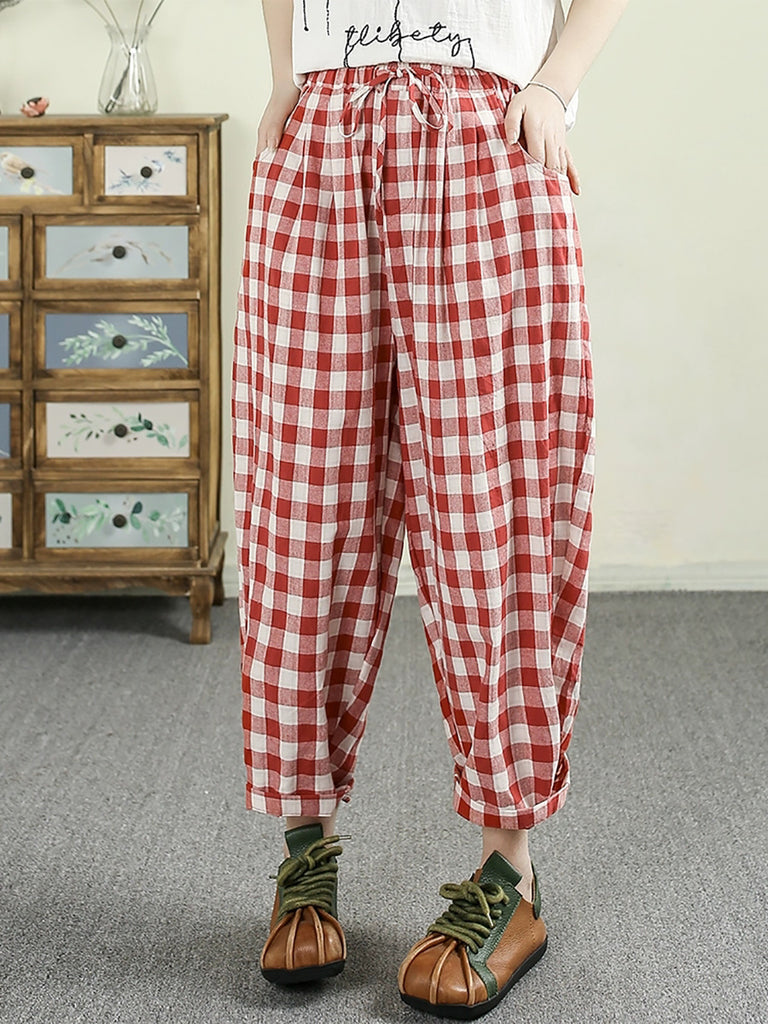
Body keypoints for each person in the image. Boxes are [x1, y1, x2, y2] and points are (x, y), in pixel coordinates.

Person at [232, 0, 629, 1016]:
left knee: (493, 506)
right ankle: (304, 853)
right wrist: (285, 74)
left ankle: (510, 874)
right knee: (302, 500)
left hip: (487, 135)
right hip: (322, 132)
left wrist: (555, 84)